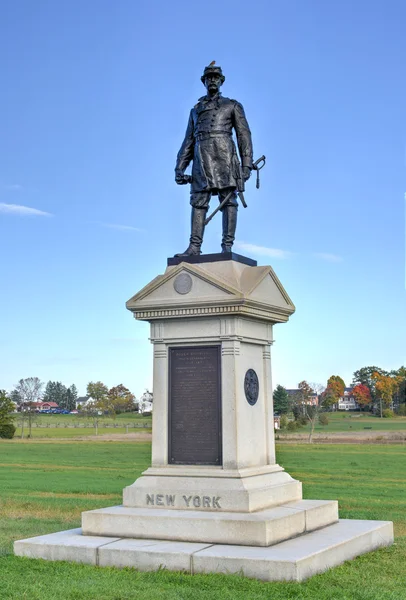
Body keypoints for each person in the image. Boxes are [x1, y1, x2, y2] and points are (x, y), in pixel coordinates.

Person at [175, 63, 253, 256]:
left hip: (225, 155)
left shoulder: (232, 105)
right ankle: (194, 247)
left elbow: (244, 135)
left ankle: (227, 246)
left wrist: (246, 164)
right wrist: (179, 166)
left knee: (229, 201)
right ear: (204, 81)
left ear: (221, 81)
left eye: (215, 78)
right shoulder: (195, 110)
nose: (212, 81)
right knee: (198, 202)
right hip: (201, 158)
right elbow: (188, 140)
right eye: (208, 78)